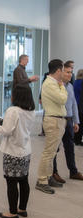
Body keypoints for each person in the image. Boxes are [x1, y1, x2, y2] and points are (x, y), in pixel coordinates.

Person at [0, 84, 35, 218]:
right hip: (25, 150)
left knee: (11, 182)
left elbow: (6, 131)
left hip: (12, 152)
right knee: (24, 180)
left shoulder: (13, 110)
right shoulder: (31, 111)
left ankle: (12, 212)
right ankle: (22, 209)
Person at [36, 59, 67, 194]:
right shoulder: (50, 84)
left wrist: (61, 86)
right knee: (49, 153)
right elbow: (63, 99)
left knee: (52, 152)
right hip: (53, 121)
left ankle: (48, 177)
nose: (65, 73)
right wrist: (62, 86)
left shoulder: (54, 83)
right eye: (64, 70)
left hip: (57, 120)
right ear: (58, 70)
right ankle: (41, 180)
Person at [52, 62, 83, 183]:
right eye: (67, 72)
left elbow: (74, 104)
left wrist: (76, 121)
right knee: (54, 148)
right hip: (58, 120)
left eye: (71, 72)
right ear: (61, 72)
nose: (70, 74)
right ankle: (54, 172)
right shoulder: (56, 86)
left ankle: (73, 171)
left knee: (70, 147)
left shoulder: (70, 86)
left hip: (69, 121)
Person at [73, 69, 83, 145]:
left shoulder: (75, 82)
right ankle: (78, 140)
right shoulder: (82, 82)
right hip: (80, 105)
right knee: (81, 124)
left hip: (75, 105)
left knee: (77, 123)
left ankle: (76, 139)